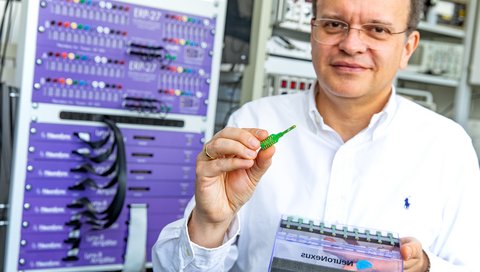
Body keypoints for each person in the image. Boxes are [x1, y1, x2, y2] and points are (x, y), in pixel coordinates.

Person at [153, 0, 480, 271]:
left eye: (377, 30)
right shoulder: (255, 122)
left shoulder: (447, 147)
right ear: (313, 31)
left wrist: (424, 266)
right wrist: (210, 224)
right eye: (334, 24)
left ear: (408, 47)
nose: (351, 45)